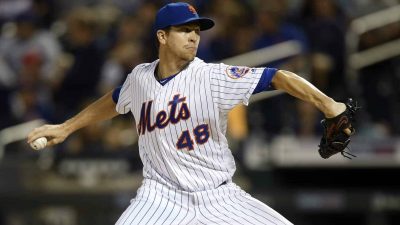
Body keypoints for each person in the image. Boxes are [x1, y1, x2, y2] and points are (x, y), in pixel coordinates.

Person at [28, 2, 349, 224]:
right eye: (184, 29)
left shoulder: (211, 76)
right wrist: (67, 127)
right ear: (162, 36)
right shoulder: (139, 78)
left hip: (220, 197)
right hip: (160, 198)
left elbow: (278, 77)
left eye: (197, 29)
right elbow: (114, 100)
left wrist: (329, 105)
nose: (194, 35)